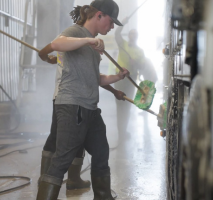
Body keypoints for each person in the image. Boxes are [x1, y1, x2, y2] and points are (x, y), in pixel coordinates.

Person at [36, 1, 128, 199]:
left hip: (90, 109)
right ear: (99, 15)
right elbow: (56, 44)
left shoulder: (94, 44)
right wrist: (88, 41)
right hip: (72, 106)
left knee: (101, 152)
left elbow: (96, 79)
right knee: (62, 160)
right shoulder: (77, 32)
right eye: (111, 22)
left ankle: (103, 196)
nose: (111, 27)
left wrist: (117, 78)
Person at [114, 17, 147, 138]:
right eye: (131, 34)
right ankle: (120, 132)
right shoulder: (122, 44)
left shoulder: (140, 51)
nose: (133, 35)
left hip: (131, 79)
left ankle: (124, 130)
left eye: (135, 34)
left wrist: (136, 63)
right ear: (128, 35)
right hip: (120, 78)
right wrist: (123, 22)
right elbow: (117, 33)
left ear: (137, 37)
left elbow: (143, 66)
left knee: (127, 105)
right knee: (120, 105)